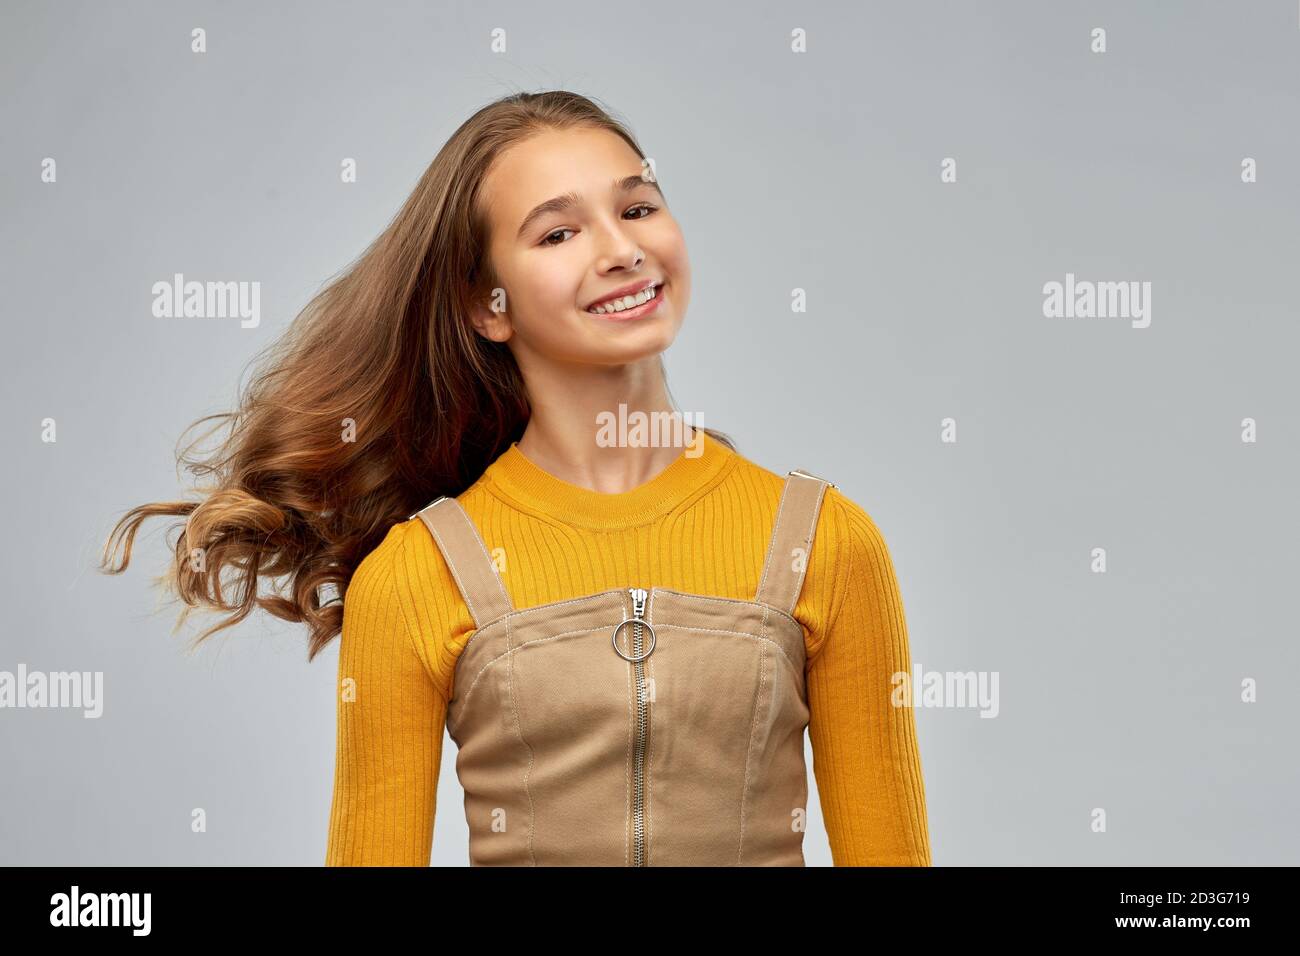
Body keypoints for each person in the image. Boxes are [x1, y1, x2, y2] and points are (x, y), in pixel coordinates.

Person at [101, 90, 932, 867]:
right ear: (486, 305)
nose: (622, 248)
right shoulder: (418, 575)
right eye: (557, 234)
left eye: (638, 207)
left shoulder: (823, 540)